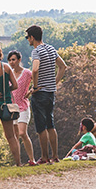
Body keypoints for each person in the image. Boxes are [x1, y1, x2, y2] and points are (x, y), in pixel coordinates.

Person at [25, 25, 68, 164]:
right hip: (50, 92)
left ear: (32, 37)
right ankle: (55, 156)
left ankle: (44, 157)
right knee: (51, 124)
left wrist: (35, 86)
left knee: (41, 126)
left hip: (40, 92)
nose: (27, 40)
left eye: (27, 37)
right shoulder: (51, 48)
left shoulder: (36, 51)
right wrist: (54, 82)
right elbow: (63, 66)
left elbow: (35, 69)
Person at [8, 50, 36, 166]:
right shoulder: (9, 74)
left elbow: (37, 80)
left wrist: (30, 91)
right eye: (9, 60)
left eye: (13, 59)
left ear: (19, 60)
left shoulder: (27, 73)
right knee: (15, 137)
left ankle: (32, 159)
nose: (11, 62)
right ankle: (18, 162)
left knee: (22, 133)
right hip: (12, 107)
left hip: (23, 106)